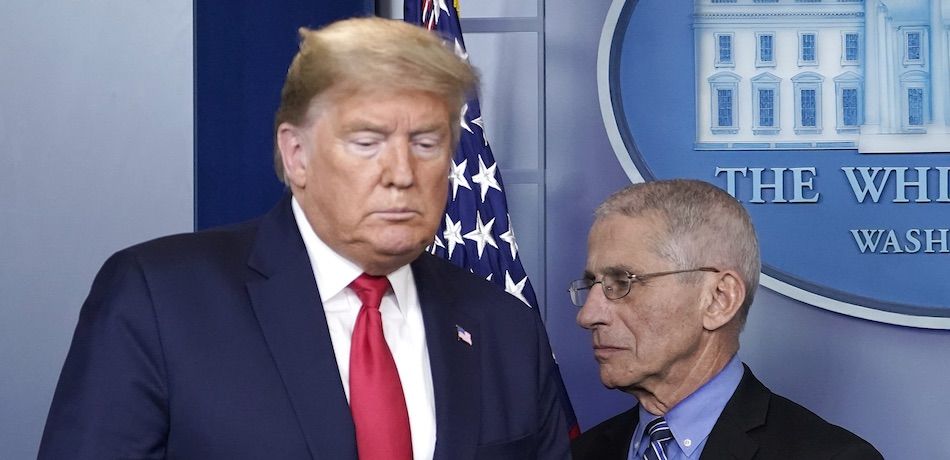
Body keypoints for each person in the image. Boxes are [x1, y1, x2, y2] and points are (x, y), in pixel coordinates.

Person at [39, 17, 569, 460]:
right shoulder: (160, 301)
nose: (402, 173)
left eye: (426, 143)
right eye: (367, 142)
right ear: (296, 155)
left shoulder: (505, 327)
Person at [569, 179, 882, 460]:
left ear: (719, 299)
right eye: (592, 283)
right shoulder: (579, 453)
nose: (588, 315)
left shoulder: (833, 456)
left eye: (623, 282)